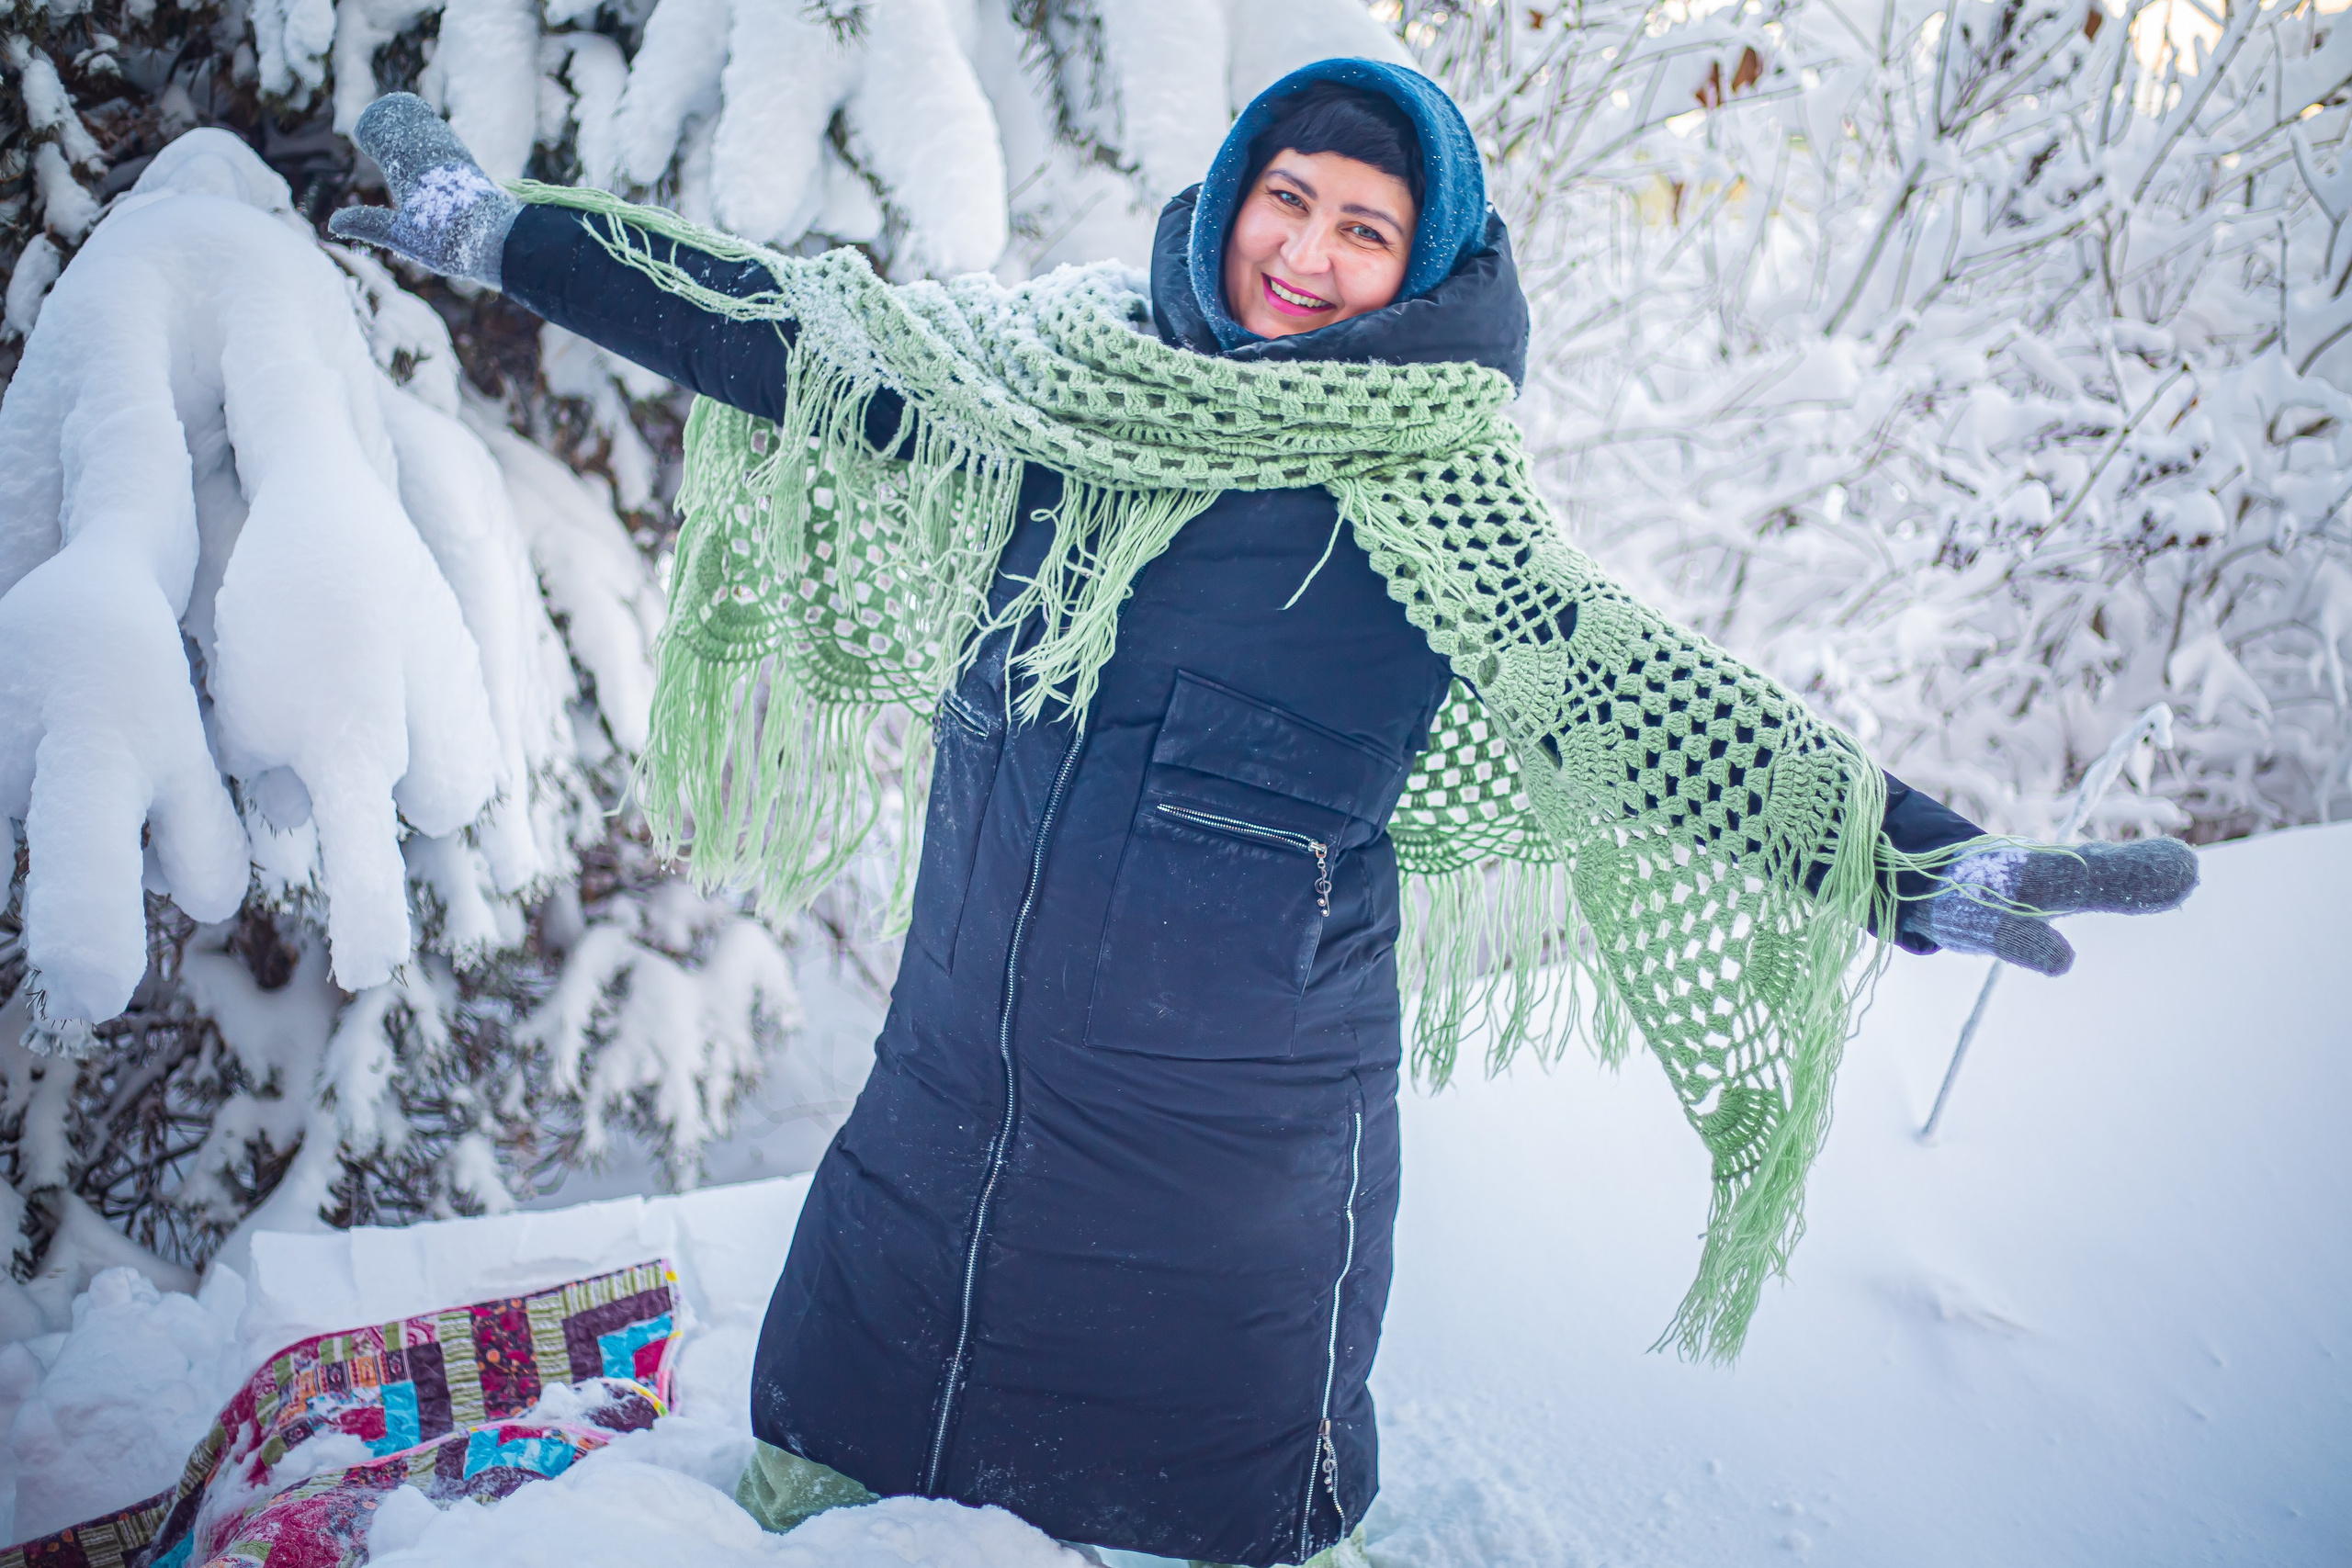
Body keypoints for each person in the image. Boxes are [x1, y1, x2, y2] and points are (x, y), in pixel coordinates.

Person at [332, 61, 2198, 1568]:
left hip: (1208, 1259)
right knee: (816, 1503)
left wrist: (1921, 864)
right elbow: (789, 333)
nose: (1303, 250)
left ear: (1424, 260)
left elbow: (1644, 703)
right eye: (1287, 198)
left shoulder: (1429, 501)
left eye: (1363, 226)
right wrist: (504, 233)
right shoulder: (1047, 390)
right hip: (917, 1194)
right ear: (1231, 195)